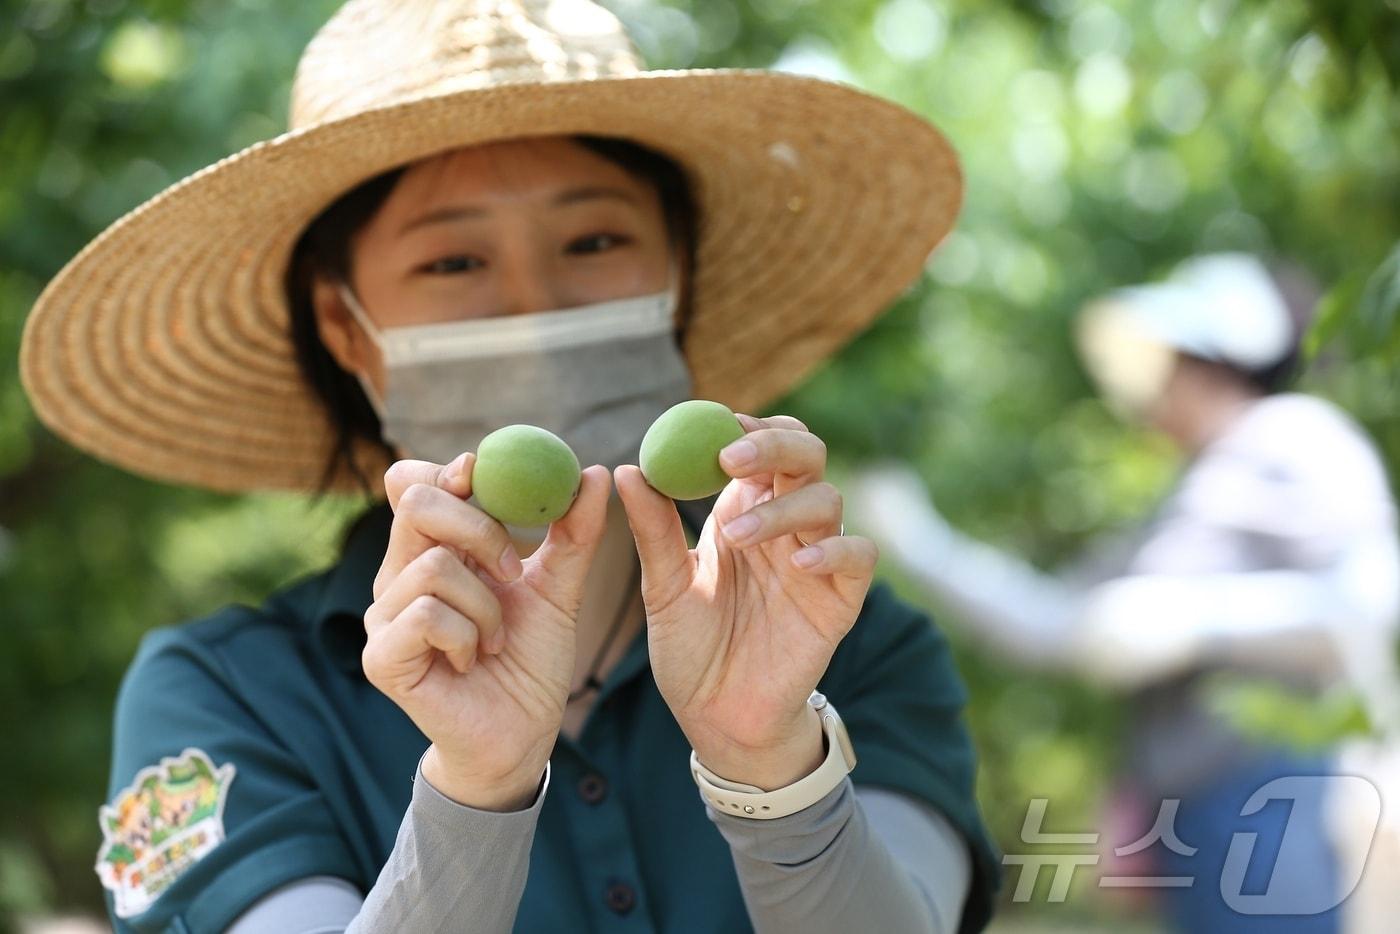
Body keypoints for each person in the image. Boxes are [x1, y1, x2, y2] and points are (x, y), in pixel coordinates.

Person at [18, 1, 1002, 931]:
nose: (533, 307)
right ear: (343, 325)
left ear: (676, 277)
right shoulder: (224, 696)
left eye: (595, 239)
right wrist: (474, 788)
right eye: (452, 262)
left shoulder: (846, 646)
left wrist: (769, 758)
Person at [852, 252, 1400, 933]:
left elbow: (1368, 601)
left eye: (1169, 369)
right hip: (1208, 809)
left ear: (1209, 363)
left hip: (1291, 787)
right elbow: (1058, 625)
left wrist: (1201, 624)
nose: (1153, 398)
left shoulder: (1298, 436)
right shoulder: (1187, 501)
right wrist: (922, 543)